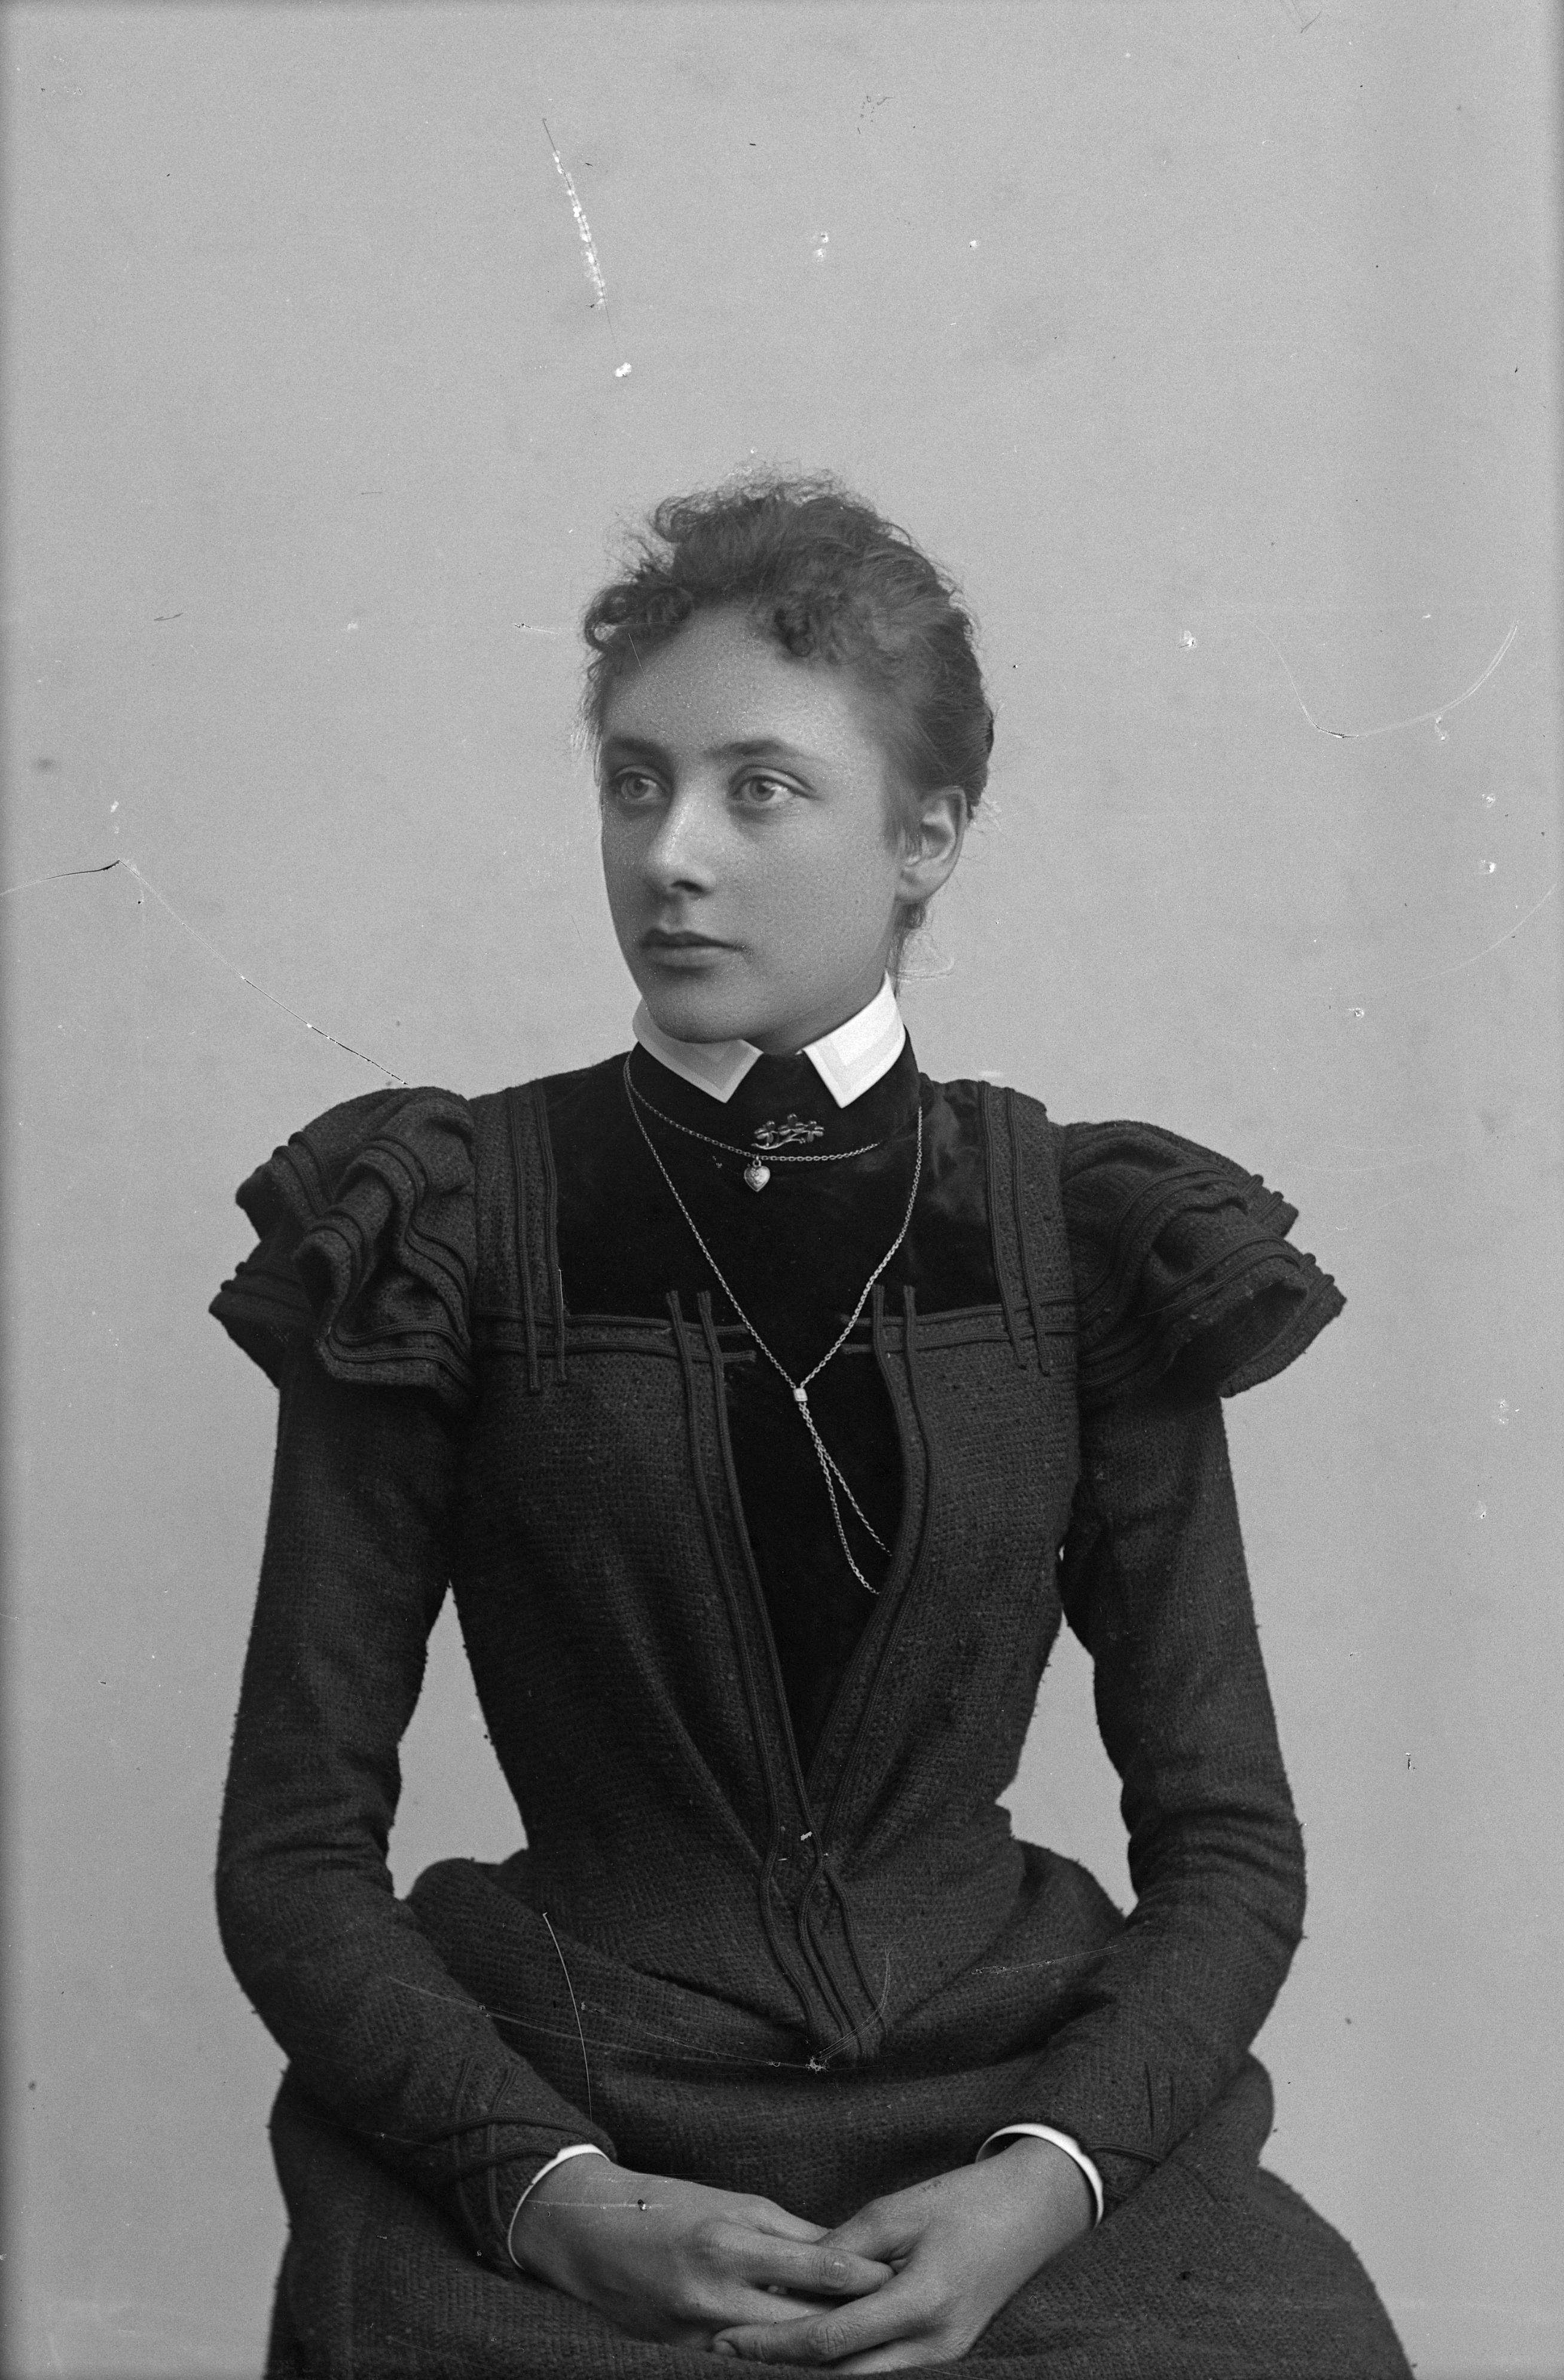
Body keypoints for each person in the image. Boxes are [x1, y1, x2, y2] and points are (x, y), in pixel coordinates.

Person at [212, 476, 1411, 2377]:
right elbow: (290, 1852)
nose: (670, 855)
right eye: (634, 784)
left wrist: (1044, 2181)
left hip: (1008, 2097)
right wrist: (555, 2193)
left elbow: (1232, 1843)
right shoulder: (448, 1223)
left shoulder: (1077, 1238)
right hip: (573, 2095)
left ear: (926, 836)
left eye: (758, 789)